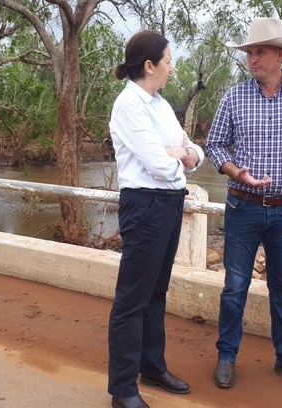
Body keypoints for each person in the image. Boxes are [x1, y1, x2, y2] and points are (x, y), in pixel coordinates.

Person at [205, 17, 282, 391]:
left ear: (279, 54)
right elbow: (213, 144)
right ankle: (226, 357)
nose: (252, 58)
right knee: (234, 287)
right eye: (249, 53)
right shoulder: (233, 96)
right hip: (243, 207)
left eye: (259, 52)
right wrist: (233, 172)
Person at [107, 30, 205, 408]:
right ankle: (123, 390)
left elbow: (194, 153)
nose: (171, 67)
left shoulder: (160, 104)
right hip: (145, 204)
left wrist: (181, 153)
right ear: (149, 65)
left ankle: (152, 367)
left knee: (156, 292)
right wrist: (177, 155)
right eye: (167, 61)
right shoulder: (129, 105)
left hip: (168, 204)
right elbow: (161, 166)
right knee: (132, 298)